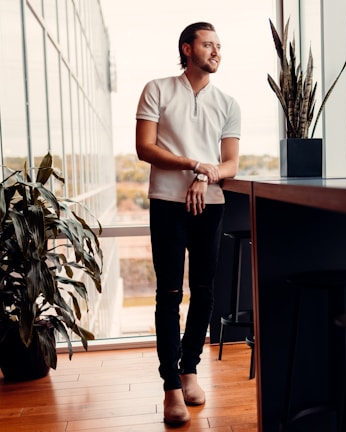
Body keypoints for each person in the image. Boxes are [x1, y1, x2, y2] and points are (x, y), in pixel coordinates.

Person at [135, 21, 241, 426]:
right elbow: (145, 148)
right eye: (208, 44)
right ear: (186, 48)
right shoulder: (157, 89)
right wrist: (195, 163)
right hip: (166, 203)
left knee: (204, 291)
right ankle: (170, 387)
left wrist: (205, 175)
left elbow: (231, 162)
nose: (216, 52)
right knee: (169, 292)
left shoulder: (228, 102)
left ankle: (190, 368)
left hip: (210, 203)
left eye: (219, 46)